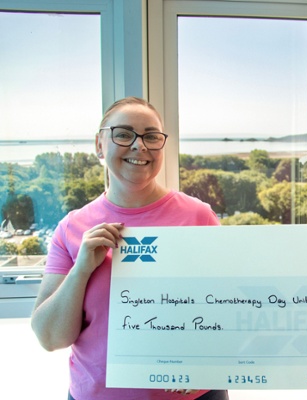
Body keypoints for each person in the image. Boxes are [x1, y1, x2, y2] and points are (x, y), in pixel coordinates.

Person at [31, 97, 228, 400]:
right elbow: (50, 337)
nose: (140, 146)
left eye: (151, 136)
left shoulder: (198, 217)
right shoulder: (72, 228)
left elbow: (229, 308)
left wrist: (208, 364)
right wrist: (82, 270)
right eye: (123, 134)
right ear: (99, 144)